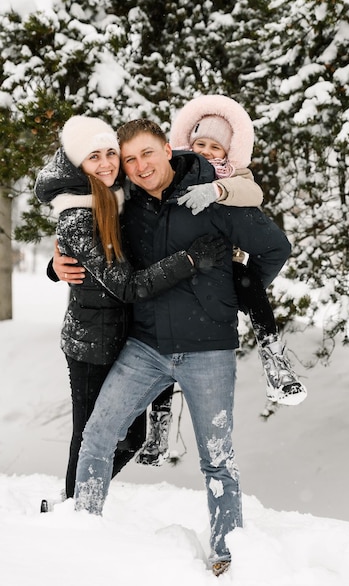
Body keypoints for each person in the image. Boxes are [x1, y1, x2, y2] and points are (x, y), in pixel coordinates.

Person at [57, 117, 291, 577]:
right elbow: (86, 228)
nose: (140, 166)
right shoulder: (129, 207)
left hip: (208, 352)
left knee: (217, 459)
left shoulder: (213, 198)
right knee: (97, 437)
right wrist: (54, 264)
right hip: (145, 347)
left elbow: (275, 248)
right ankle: (81, 529)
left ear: (167, 148)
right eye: (130, 160)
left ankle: (225, 552)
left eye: (147, 153)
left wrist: (228, 297)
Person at [34, 115, 225, 504]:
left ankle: (75, 498)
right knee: (90, 434)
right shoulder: (77, 216)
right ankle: (74, 507)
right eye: (94, 157)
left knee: (130, 436)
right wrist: (188, 260)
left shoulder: (115, 193)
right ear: (77, 164)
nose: (106, 163)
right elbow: (127, 284)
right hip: (90, 344)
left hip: (123, 336)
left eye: (110, 154)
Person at [135, 95, 306, 468]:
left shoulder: (233, 176)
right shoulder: (175, 170)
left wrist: (216, 190)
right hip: (175, 264)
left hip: (224, 266)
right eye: (201, 145)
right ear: (187, 144)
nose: (208, 153)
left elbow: (254, 194)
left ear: (228, 152)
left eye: (216, 147)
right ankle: (159, 425)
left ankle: (273, 355)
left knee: (248, 282)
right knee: (161, 337)